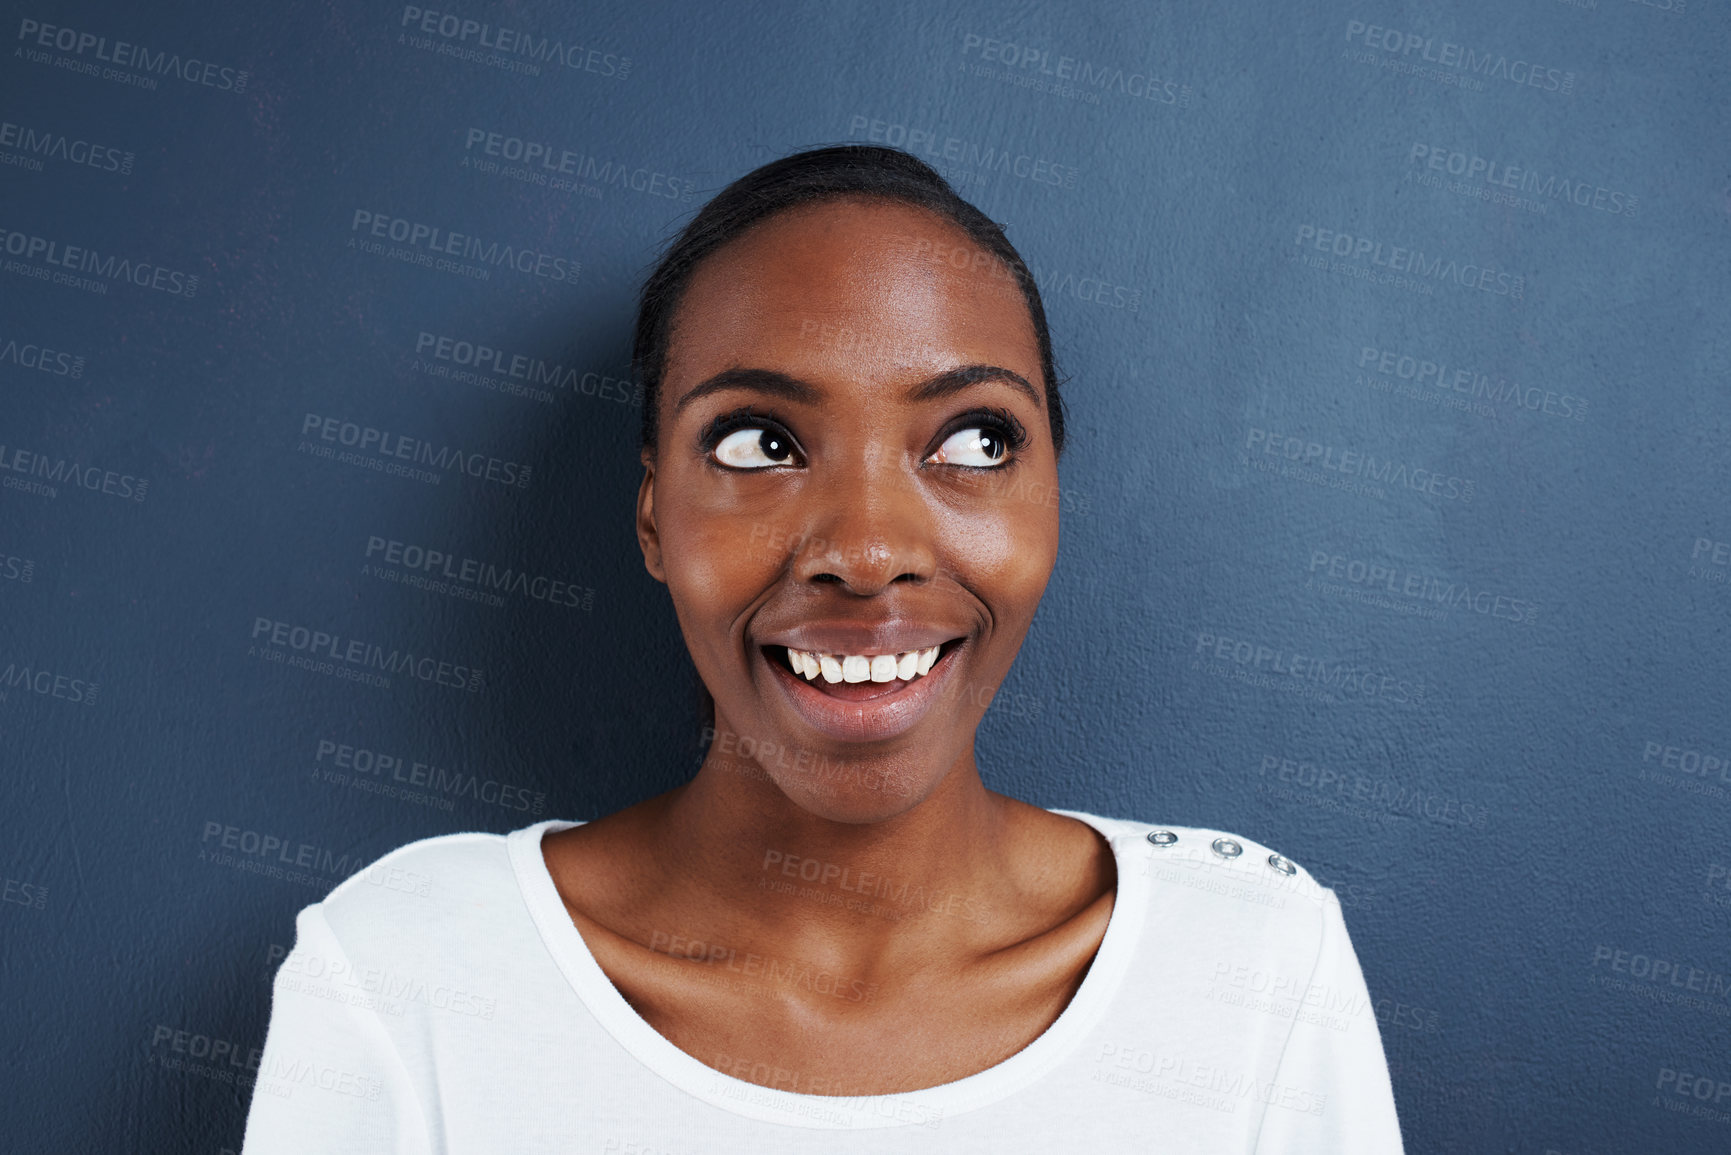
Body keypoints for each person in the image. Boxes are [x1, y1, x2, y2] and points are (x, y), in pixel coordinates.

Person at [242, 145, 1404, 1152]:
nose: (866, 549)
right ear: (653, 517)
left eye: (975, 439)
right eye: (758, 442)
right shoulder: (407, 975)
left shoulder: (1254, 969)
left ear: (1055, 493)